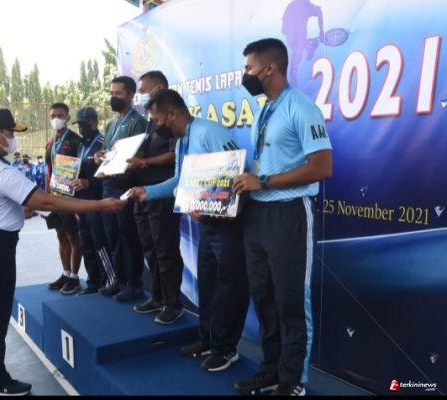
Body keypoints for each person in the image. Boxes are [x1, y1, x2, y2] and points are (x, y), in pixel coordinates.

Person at [0, 108, 125, 396]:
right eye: (10, 133)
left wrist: (18, 210)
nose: (13, 139)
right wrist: (100, 205)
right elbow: (48, 202)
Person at [232, 38, 333, 396]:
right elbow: (267, 164)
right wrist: (245, 182)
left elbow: (322, 166)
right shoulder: (265, 109)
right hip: (257, 214)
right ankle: (272, 371)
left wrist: (263, 181)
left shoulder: (301, 107)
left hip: (290, 213)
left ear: (269, 67)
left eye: (248, 67)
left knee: (291, 302)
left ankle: (293, 382)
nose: (244, 74)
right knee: (264, 298)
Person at [130, 89, 250, 372]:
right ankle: (208, 339)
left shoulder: (210, 132)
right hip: (206, 225)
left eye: (157, 119)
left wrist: (217, 208)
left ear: (172, 114)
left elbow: (239, 172)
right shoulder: (183, 140)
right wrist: (148, 191)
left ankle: (226, 348)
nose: (156, 125)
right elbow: (180, 181)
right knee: (207, 283)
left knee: (229, 287)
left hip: (227, 225)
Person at [127, 71, 185, 325]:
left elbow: (175, 155)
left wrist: (145, 162)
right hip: (143, 192)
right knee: (150, 249)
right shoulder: (151, 120)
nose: (139, 95)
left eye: (143, 90)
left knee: (165, 250)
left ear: (158, 88)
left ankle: (173, 303)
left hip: (163, 192)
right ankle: (157, 297)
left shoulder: (173, 119)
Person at [94, 76, 148, 302]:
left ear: (131, 95)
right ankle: (119, 279)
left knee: (128, 236)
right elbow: (108, 153)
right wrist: (99, 157)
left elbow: (138, 156)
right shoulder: (111, 124)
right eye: (111, 93)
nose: (113, 97)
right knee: (112, 236)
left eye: (118, 93)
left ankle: (134, 283)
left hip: (125, 184)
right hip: (108, 184)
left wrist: (121, 165)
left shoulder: (138, 122)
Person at [70, 107, 115, 295]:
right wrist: (73, 202)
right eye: (79, 125)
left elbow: (109, 173)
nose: (81, 128)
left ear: (94, 122)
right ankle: (93, 283)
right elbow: (75, 173)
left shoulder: (103, 143)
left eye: (84, 124)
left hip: (97, 199)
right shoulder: (80, 145)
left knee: (99, 243)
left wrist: (90, 182)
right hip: (81, 202)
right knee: (86, 244)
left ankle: (109, 281)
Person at [44, 102, 84, 295]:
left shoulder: (76, 141)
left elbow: (82, 170)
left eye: (60, 115)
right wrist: (46, 196)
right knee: (61, 237)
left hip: (70, 198)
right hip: (54, 197)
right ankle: (65, 273)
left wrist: (78, 204)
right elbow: (49, 171)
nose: (56, 119)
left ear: (68, 118)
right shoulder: (50, 143)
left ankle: (75, 278)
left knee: (73, 237)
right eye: (53, 116)